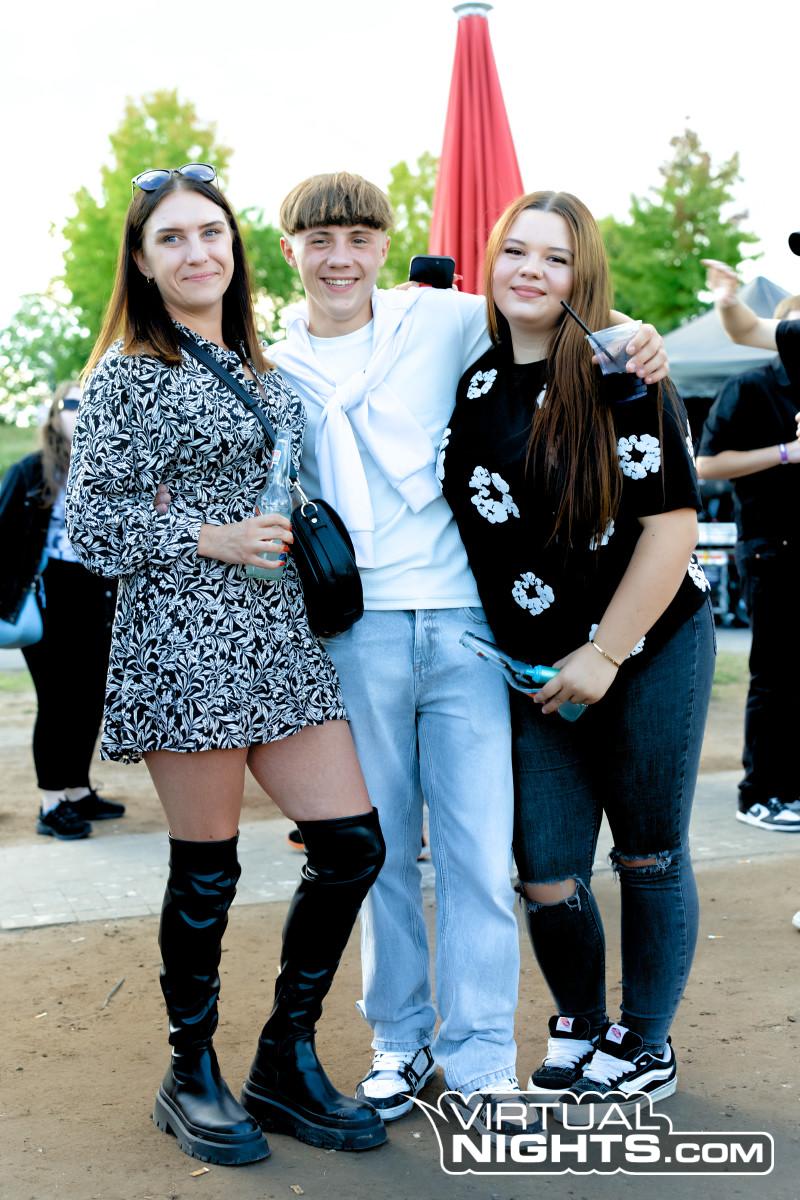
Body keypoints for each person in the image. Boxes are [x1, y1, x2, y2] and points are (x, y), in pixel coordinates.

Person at [266, 171, 669, 1131]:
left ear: (384, 245)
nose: (340, 258)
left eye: (359, 238)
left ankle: (481, 1056)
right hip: (355, 631)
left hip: (464, 626)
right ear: (290, 252)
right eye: (319, 241)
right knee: (378, 856)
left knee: (480, 855)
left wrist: (637, 332)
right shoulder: (269, 365)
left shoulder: (439, 321)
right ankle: (399, 1041)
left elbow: (554, 311)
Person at [65, 163, 386, 1167]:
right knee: (207, 868)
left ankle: (284, 1057)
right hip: (183, 640)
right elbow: (89, 528)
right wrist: (209, 536)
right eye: (171, 238)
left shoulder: (264, 366)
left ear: (235, 248)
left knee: (353, 845)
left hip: (278, 637)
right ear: (142, 261)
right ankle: (189, 1070)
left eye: (210, 232)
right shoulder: (126, 374)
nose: (196, 251)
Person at [439, 191, 715, 1121]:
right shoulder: (471, 382)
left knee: (647, 853)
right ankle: (585, 1023)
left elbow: (670, 528)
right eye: (515, 251)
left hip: (647, 644)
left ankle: (647, 1043)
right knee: (546, 869)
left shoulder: (621, 368)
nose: (530, 270)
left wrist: (604, 652)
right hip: (532, 670)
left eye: (555, 258)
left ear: (582, 275)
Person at [696, 287, 800, 833]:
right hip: (771, 548)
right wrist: (786, 453)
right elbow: (705, 465)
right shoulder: (750, 387)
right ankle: (759, 793)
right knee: (775, 677)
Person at [0, 381, 121, 840]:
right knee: (57, 700)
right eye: (73, 403)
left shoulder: (109, 466)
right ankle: (51, 803)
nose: (82, 409)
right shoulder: (31, 470)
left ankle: (77, 789)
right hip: (47, 594)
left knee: (89, 697)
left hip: (98, 594)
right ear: (55, 414)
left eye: (92, 402)